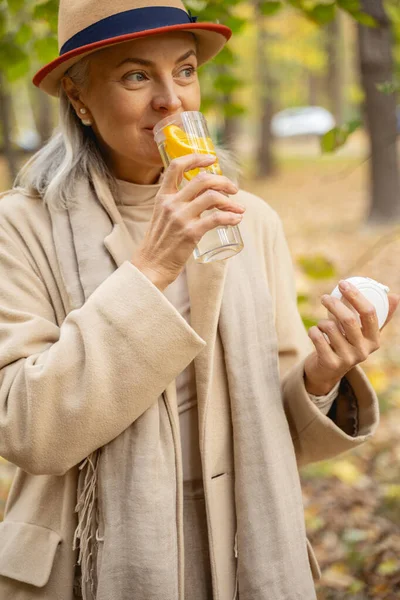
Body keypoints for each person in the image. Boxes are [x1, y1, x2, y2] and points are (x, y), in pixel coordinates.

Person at [0, 1, 398, 599]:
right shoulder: (19, 228)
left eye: (184, 71)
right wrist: (153, 266)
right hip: (91, 562)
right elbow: (29, 427)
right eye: (137, 76)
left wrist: (324, 375)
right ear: (80, 102)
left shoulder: (251, 220)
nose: (171, 100)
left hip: (243, 549)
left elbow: (283, 428)